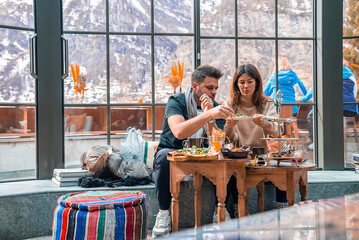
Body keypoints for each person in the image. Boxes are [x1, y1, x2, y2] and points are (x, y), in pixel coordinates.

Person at [152, 65, 234, 238]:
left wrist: (211, 116)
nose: (213, 92)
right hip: (175, 151)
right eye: (209, 88)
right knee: (164, 157)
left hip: (204, 154)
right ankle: (163, 213)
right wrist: (208, 114)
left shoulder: (215, 107)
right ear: (195, 87)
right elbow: (179, 131)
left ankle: (221, 212)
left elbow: (216, 142)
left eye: (216, 88)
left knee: (228, 158)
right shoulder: (177, 101)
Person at [223, 64, 288, 210]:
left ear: (257, 82)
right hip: (239, 156)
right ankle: (234, 211)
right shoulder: (231, 104)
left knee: (283, 168)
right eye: (241, 82)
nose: (246, 86)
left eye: (250, 81)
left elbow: (279, 130)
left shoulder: (266, 103)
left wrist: (264, 123)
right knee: (230, 170)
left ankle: (282, 208)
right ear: (236, 84)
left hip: (262, 155)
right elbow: (229, 139)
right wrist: (229, 126)